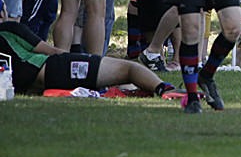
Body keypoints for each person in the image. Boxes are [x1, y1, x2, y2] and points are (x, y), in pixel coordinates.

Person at [0, 19, 173, 97]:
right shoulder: (8, 30)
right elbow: (52, 52)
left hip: (30, 85)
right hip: (51, 69)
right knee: (129, 69)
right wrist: (81, 59)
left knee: (115, 81)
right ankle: (164, 89)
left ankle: (133, 89)